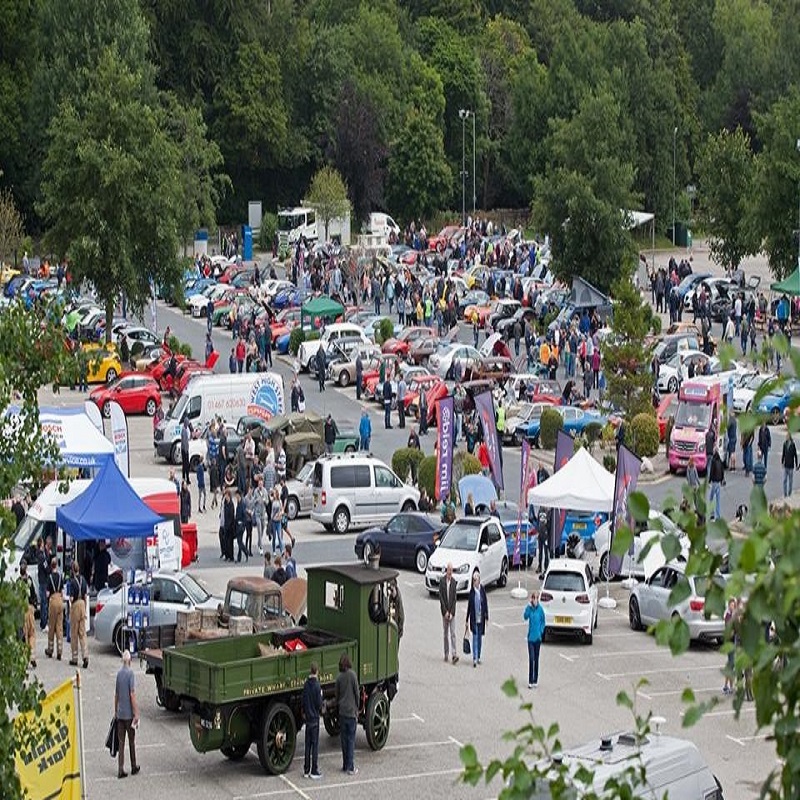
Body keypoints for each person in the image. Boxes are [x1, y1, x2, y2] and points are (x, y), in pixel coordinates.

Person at [114, 650, 140, 779]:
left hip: (120, 714)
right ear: (130, 661)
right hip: (129, 715)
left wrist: (115, 711)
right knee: (131, 741)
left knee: (121, 742)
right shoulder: (130, 674)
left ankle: (120, 768)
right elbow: (132, 695)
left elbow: (117, 695)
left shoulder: (119, 674)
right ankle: (133, 766)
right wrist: (136, 713)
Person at [335, 652, 359, 775]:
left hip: (342, 712)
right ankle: (351, 767)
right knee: (351, 741)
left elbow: (337, 695)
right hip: (351, 712)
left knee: (344, 741)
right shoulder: (353, 676)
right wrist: (358, 708)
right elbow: (357, 693)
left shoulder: (339, 677)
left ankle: (345, 765)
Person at [302, 662, 323, 779]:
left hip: (308, 719)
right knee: (315, 746)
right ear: (317, 672)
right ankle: (314, 770)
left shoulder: (306, 685)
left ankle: (306, 769)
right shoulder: (317, 686)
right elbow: (319, 704)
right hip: (314, 718)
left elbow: (303, 701)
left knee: (307, 745)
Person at [68, 561, 89, 668]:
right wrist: (84, 607)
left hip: (76, 604)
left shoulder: (72, 582)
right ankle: (85, 656)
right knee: (83, 633)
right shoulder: (83, 580)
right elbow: (85, 595)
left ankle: (75, 658)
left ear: (72, 570)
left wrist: (71, 605)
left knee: (74, 633)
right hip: (82, 605)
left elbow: (71, 598)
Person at [465, 570, 488, 667]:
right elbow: (469, 606)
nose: (475, 582)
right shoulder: (472, 592)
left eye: (476, 580)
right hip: (474, 618)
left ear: (479, 580)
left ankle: (478, 656)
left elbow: (485, 603)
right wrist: (466, 619)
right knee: (475, 637)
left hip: (481, 618)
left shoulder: (482, 590)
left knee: (479, 638)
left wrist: (487, 616)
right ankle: (474, 658)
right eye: (474, 580)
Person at [524, 590, 546, 688]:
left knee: (536, 659)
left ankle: (535, 680)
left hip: (538, 638)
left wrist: (541, 631)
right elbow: (525, 616)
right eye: (533, 598)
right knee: (531, 658)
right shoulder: (530, 609)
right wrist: (528, 607)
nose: (535, 600)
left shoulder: (540, 610)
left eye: (536, 598)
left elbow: (543, 621)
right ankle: (530, 680)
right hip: (530, 639)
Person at [18, 559, 38, 668]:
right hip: (30, 609)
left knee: (24, 635)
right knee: (32, 634)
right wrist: (34, 606)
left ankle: (25, 659)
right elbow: (34, 595)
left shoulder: (18, 582)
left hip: (22, 609)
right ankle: (33, 657)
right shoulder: (29, 580)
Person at [439, 563, 459, 665]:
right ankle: (446, 653)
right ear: (446, 571)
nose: (450, 572)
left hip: (452, 612)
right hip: (445, 612)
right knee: (445, 634)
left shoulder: (454, 582)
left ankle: (454, 654)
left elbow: (454, 599)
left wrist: (451, 612)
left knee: (453, 633)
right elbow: (441, 598)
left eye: (451, 570)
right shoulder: (442, 582)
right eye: (448, 570)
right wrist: (445, 612)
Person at [45, 557, 64, 660]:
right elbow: (62, 591)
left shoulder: (49, 578)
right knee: (59, 627)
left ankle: (50, 649)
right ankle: (60, 650)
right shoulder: (60, 577)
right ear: (57, 565)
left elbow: (47, 594)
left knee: (51, 627)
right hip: (60, 600)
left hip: (53, 600)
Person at [723, 596, 737, 695]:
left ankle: (729, 686)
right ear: (729, 606)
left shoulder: (733, 615)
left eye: (734, 605)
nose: (733, 607)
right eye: (732, 605)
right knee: (731, 664)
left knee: (731, 665)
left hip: (734, 643)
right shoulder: (728, 616)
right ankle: (727, 686)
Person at [708, 446, 725, 521]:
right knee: (718, 500)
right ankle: (718, 516)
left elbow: (711, 472)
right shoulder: (720, 460)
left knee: (711, 498)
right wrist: (722, 480)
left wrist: (709, 481)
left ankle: (712, 515)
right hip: (718, 482)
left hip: (714, 482)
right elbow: (722, 471)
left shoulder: (713, 460)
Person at [781, 431, 798, 497]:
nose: (786, 437)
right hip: (786, 465)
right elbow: (783, 454)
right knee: (784, 480)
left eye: (787, 436)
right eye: (786, 436)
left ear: (789, 437)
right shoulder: (784, 444)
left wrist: (796, 465)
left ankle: (789, 493)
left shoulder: (793, 445)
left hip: (791, 466)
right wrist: (782, 462)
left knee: (790, 481)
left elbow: (795, 455)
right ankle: (785, 494)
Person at [537, 507, 551, 578]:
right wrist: (537, 530)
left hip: (545, 534)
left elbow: (549, 523)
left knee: (546, 552)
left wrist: (547, 532)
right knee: (540, 552)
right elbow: (537, 521)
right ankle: (539, 566)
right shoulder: (540, 510)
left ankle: (546, 567)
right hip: (540, 534)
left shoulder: (548, 511)